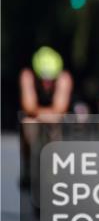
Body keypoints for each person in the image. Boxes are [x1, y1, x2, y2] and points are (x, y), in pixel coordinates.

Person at [19, 46, 73, 189]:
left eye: (50, 80)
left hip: (53, 118)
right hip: (35, 118)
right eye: (43, 79)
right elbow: (28, 107)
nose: (46, 84)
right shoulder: (27, 75)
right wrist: (49, 113)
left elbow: (60, 109)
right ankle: (27, 168)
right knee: (26, 122)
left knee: (59, 125)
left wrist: (41, 113)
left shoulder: (64, 78)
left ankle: (58, 169)